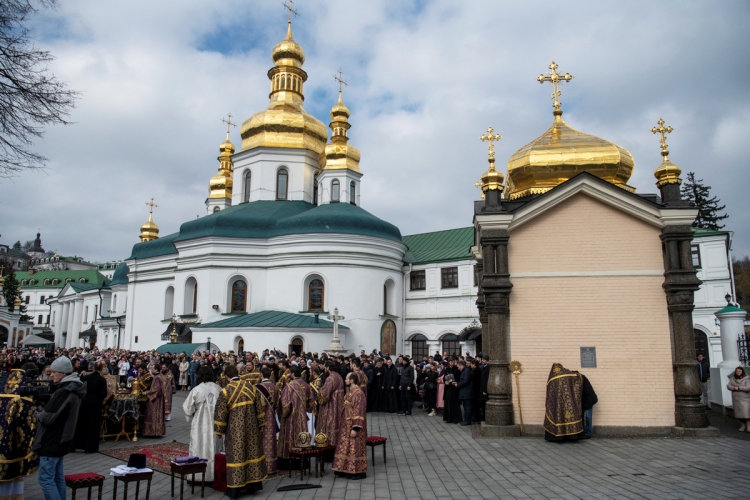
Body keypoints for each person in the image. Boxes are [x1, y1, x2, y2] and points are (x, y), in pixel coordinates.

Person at [33, 356, 86, 500]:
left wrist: (37, 412)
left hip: (53, 440)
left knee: (46, 479)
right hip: (61, 438)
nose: (51, 375)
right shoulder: (72, 388)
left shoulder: (65, 391)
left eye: (54, 372)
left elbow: (47, 418)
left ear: (63, 373)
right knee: (57, 477)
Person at [213, 365, 267, 497]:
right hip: (252, 427)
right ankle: (252, 486)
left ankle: (235, 489)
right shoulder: (250, 387)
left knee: (236, 455)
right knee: (251, 453)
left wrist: (218, 430)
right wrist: (261, 424)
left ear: (226, 377)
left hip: (234, 430)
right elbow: (259, 407)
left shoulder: (226, 391)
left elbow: (221, 413)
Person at [183, 366, 221, 481]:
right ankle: (214, 475)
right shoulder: (218, 388)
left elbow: (188, 408)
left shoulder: (196, 389)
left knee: (198, 446)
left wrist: (190, 417)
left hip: (199, 422)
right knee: (214, 447)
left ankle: (197, 475)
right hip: (215, 422)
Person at [332, 372, 368, 480]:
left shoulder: (359, 394)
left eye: (347, 378)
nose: (345, 380)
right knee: (345, 448)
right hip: (345, 425)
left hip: (354, 426)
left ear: (352, 381)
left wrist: (355, 428)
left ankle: (356, 471)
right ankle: (343, 468)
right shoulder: (350, 392)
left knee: (354, 448)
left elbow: (359, 412)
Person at [278, 366, 315, 468]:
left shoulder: (289, 386)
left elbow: (285, 404)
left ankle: (288, 461)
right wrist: (305, 410)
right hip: (302, 417)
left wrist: (283, 414)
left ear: (293, 374)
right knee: (302, 437)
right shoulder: (307, 386)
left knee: (290, 436)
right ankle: (302, 461)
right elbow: (311, 402)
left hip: (291, 417)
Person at [73, 361, 108, 454]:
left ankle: (75, 445)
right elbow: (103, 393)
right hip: (95, 404)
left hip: (84, 402)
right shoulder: (102, 380)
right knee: (93, 424)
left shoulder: (86, 377)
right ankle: (90, 447)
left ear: (92, 368)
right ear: (101, 369)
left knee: (81, 423)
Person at [543, 363, 583, 441]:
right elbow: (578, 377)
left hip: (557, 403)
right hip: (569, 401)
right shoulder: (568, 375)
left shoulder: (552, 378)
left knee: (558, 416)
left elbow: (550, 394)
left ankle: (558, 436)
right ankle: (572, 436)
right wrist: (576, 373)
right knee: (570, 416)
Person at [256, 367, 279, 475]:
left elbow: (258, 405)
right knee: (271, 441)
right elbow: (276, 403)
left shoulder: (258, 387)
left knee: (261, 441)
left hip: (262, 419)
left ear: (261, 375)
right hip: (271, 418)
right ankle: (272, 466)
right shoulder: (275, 387)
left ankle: (262, 466)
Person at [317, 361, 345, 447]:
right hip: (338, 405)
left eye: (325, 367)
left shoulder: (330, 378)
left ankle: (329, 446)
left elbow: (325, 395)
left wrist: (319, 391)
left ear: (328, 368)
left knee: (329, 425)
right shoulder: (339, 376)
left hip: (331, 407)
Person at [141, 364, 166, 437]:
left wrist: (147, 392)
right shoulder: (158, 376)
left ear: (156, 369)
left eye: (152, 369)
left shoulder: (157, 377)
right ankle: (156, 431)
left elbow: (156, 390)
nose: (151, 370)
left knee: (153, 414)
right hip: (158, 398)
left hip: (156, 400)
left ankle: (153, 432)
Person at [727, 366, 750, 431]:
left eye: (739, 371)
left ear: (742, 372)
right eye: (737, 371)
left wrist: (739, 387)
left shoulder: (747, 379)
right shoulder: (733, 379)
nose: (738, 372)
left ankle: (749, 426)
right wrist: (733, 388)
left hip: (745, 398)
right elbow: (728, 386)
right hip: (736, 399)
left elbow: (748, 387)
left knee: (746, 412)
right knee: (739, 413)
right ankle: (743, 425)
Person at [580, 372, 598, 439]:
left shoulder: (583, 381)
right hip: (583, 401)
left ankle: (588, 433)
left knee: (588, 417)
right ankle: (582, 432)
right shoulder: (582, 379)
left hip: (588, 401)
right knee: (581, 417)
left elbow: (586, 392)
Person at [455, 360, 473, 426]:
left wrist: (458, 385)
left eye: (458, 366)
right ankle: (466, 420)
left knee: (467, 407)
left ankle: (467, 421)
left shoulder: (467, 371)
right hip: (464, 392)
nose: (458, 368)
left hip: (467, 392)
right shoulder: (464, 371)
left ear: (461, 365)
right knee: (465, 407)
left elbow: (465, 381)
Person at [479, 356, 489, 422]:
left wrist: (485, 390)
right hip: (481, 388)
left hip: (484, 389)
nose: (482, 361)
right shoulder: (484, 367)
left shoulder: (488, 368)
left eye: (483, 359)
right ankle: (483, 417)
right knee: (482, 404)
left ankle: (485, 418)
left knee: (484, 404)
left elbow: (486, 380)